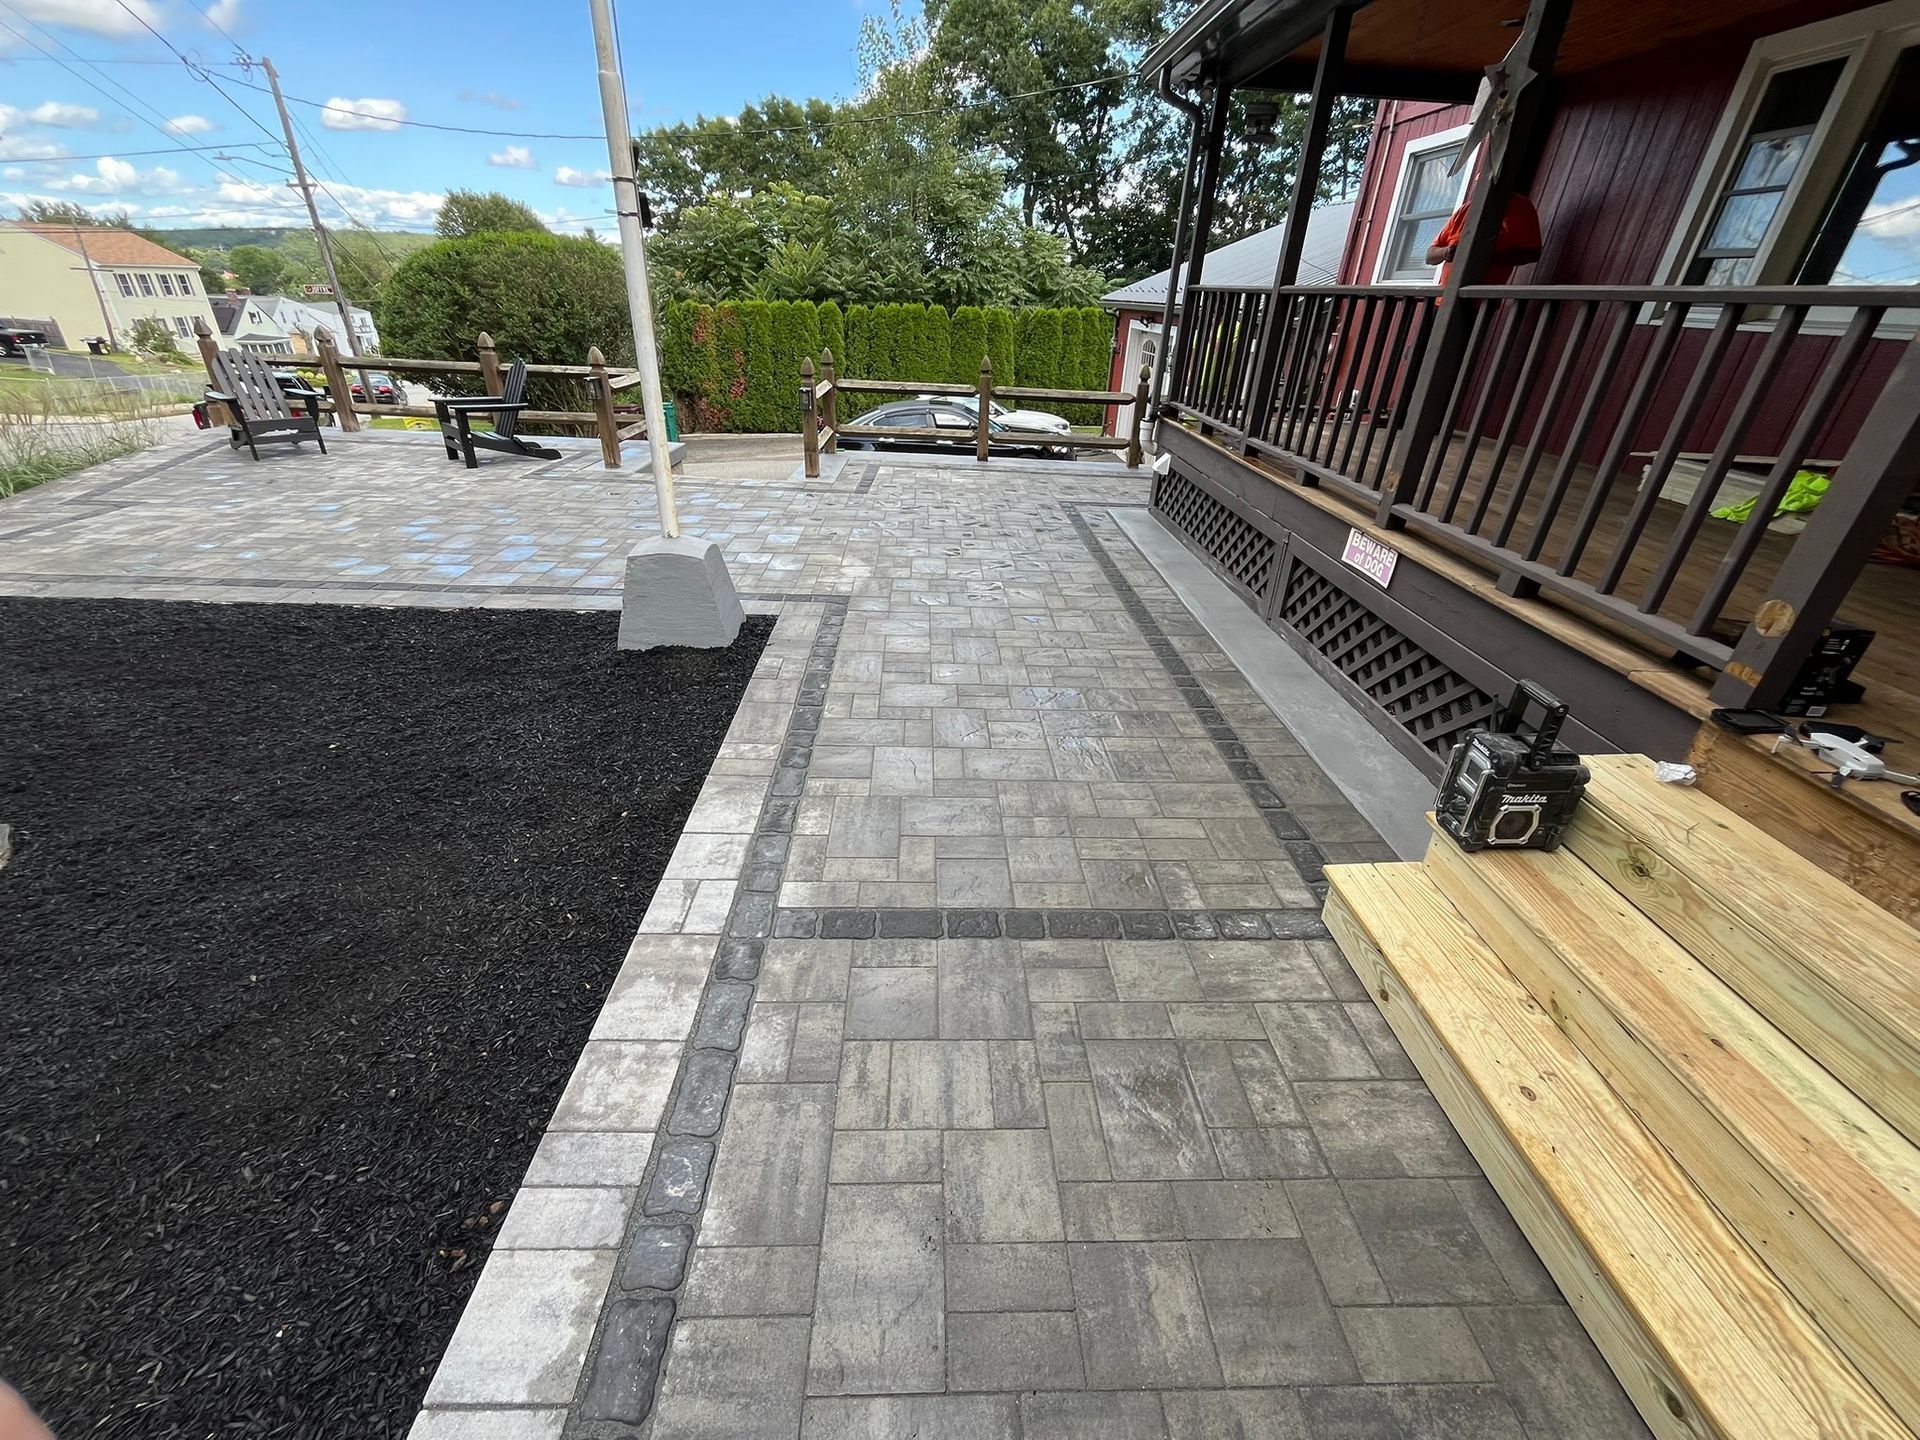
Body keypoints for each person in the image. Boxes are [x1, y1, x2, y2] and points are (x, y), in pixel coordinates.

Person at [1425, 191, 1543, 285]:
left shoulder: (1520, 207)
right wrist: (1449, 252)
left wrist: (1484, 256)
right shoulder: (1465, 209)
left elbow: (1532, 253)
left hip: (1481, 300)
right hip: (1443, 297)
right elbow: (1430, 256)